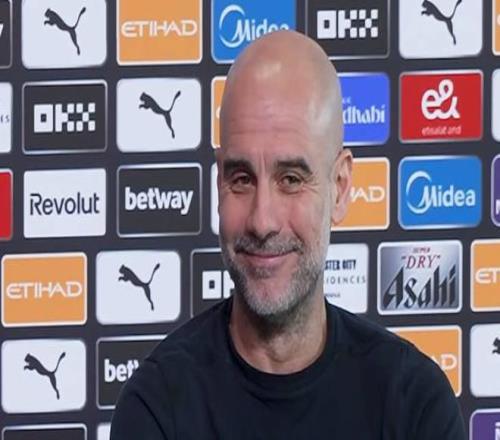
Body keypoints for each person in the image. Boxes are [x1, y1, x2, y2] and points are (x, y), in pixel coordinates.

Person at [111, 30, 465, 439]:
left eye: (291, 179)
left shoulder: (415, 404)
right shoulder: (157, 406)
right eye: (241, 179)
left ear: (340, 188)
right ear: (219, 183)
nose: (262, 221)